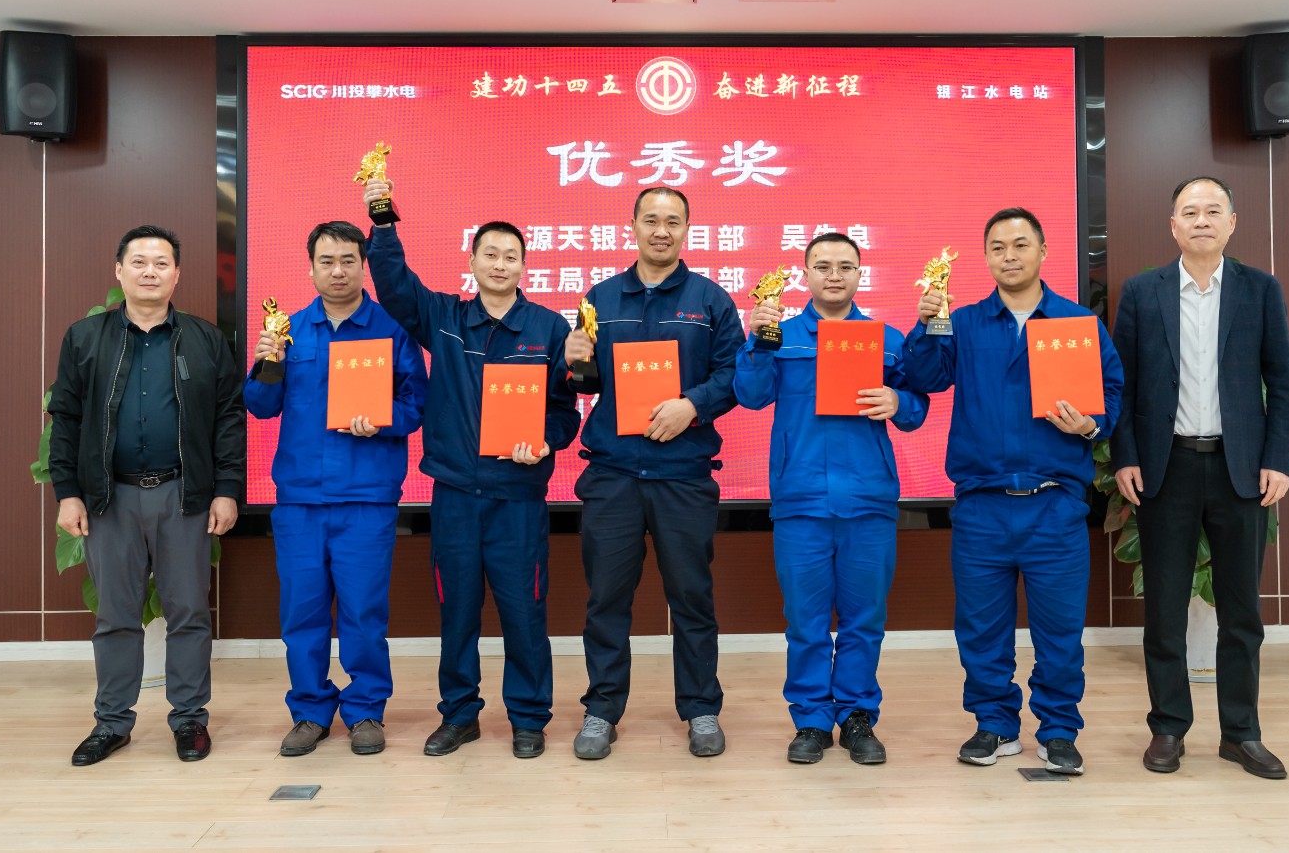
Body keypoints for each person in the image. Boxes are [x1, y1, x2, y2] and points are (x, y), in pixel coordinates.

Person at [363, 181, 581, 759]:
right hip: (456, 495)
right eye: (490, 254)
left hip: (518, 499)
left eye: (511, 256)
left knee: (524, 613)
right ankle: (459, 715)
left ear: (524, 266)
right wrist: (382, 222)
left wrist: (546, 440)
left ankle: (529, 717)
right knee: (456, 613)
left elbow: (565, 412)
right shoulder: (445, 317)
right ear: (473, 261)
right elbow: (394, 286)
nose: (500, 264)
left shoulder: (549, 329)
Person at [902, 207, 1121, 777]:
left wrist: (1091, 425)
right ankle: (994, 724)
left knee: (1060, 631)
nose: (1010, 255)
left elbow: (1112, 393)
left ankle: (1058, 730)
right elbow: (926, 378)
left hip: (1055, 505)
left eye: (1021, 244)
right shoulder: (963, 321)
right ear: (986, 257)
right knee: (981, 629)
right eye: (998, 247)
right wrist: (926, 324)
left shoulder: (1077, 323)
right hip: (983, 505)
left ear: (1044, 251)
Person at [1111, 175, 1289, 780]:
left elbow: (1282, 382)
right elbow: (1122, 387)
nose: (1201, 221)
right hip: (1165, 468)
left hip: (1239, 469)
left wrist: (1278, 459)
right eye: (1189, 212)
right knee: (1164, 609)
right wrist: (1126, 456)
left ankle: (1241, 734)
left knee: (1241, 611)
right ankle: (1168, 726)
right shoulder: (1142, 292)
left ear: (1232, 223)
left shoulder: (1260, 290)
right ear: (1173, 226)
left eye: (1213, 211)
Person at [48, 225, 244, 766]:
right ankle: (112, 723)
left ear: (177, 274)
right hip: (109, 498)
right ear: (119, 271)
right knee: (115, 615)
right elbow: (65, 418)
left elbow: (229, 420)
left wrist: (227, 490)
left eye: (161, 263)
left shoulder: (205, 340)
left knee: (189, 613)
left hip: (184, 496)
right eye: (139, 262)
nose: (150, 271)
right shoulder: (84, 338)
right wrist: (68, 492)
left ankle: (189, 720)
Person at [733, 232, 929, 765]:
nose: (834, 275)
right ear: (805, 275)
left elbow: (916, 409)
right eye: (822, 266)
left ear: (860, 273)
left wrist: (898, 400)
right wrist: (757, 342)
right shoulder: (780, 336)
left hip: (868, 499)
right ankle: (812, 721)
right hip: (801, 500)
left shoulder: (886, 341)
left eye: (845, 265)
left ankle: (858, 717)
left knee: (865, 619)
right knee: (806, 621)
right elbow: (751, 395)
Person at [564, 186, 745, 760]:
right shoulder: (599, 298)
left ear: (687, 229)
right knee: (606, 600)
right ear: (633, 226)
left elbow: (735, 373)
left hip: (683, 475)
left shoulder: (710, 300)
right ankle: (602, 709)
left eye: (672, 221)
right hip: (613, 474)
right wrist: (576, 363)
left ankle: (701, 707)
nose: (661, 230)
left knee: (691, 597)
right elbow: (587, 383)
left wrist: (692, 404)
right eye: (650, 220)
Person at [244, 221, 428, 758]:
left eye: (348, 260)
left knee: (363, 614)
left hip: (366, 498)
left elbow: (416, 406)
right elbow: (260, 405)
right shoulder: (289, 331)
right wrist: (268, 361)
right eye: (327, 261)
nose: (338, 271)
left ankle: (366, 709)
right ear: (311, 268)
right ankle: (310, 711)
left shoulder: (391, 329)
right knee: (301, 614)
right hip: (300, 499)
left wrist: (382, 418)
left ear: (363, 266)